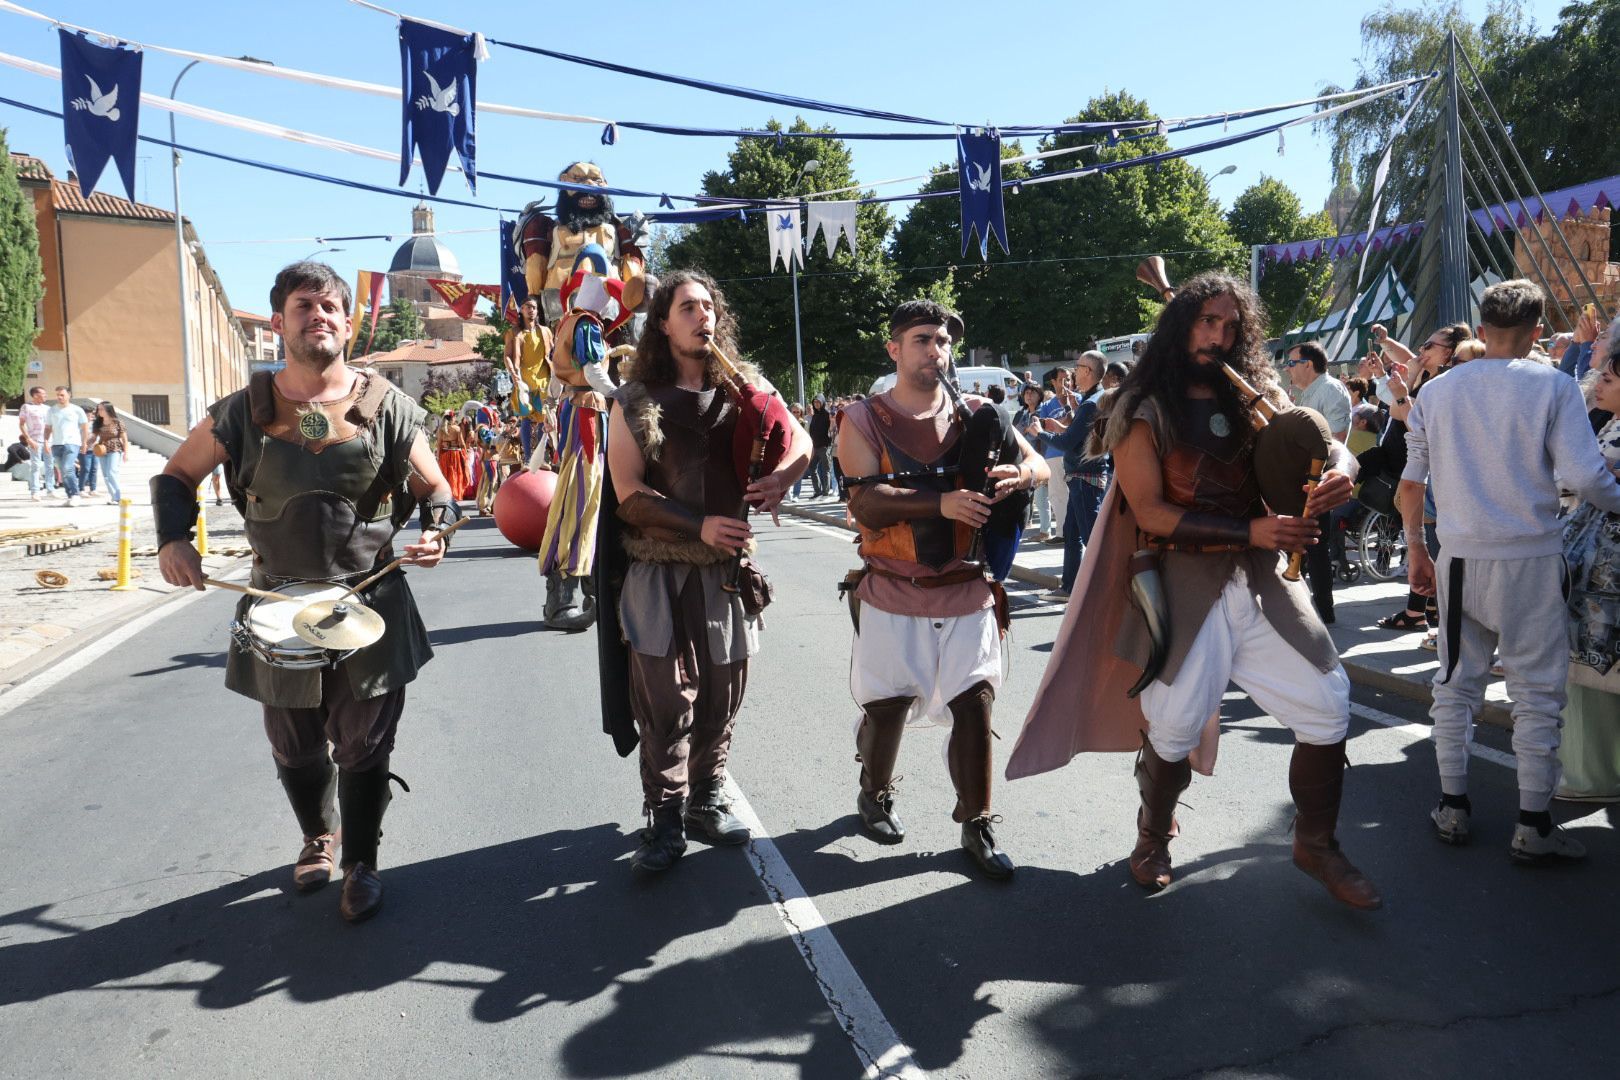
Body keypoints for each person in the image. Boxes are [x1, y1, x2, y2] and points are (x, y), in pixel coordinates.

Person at [1007, 272, 1380, 910]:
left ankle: (1315, 843)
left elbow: (1330, 445)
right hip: (1183, 576)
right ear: (1181, 326)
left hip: (1261, 578)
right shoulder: (1139, 407)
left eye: (1231, 326)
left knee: (1327, 702)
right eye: (1207, 322)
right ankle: (1152, 835)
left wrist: (1340, 473)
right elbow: (1149, 511)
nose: (1220, 335)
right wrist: (1253, 527)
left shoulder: (1258, 392)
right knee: (1173, 727)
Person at [155, 261, 459, 922]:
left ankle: (362, 865)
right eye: (303, 306)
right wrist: (174, 539)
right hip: (278, 607)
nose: (317, 316)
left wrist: (438, 531)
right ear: (278, 322)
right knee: (293, 744)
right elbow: (175, 478)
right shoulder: (242, 414)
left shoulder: (388, 408)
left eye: (329, 308)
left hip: (370, 603)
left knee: (365, 744)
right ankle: (317, 836)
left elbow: (436, 490)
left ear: (347, 325)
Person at [1400, 280, 1620, 862]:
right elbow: (1586, 477)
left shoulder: (1437, 392)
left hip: (1460, 556)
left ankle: (1453, 806)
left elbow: (1410, 484)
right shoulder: (1550, 385)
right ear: (1536, 330)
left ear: (1485, 323)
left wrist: (1415, 549)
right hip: (1530, 558)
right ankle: (1533, 822)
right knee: (1537, 693)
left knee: (1454, 683)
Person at [604, 269, 810, 873]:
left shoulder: (746, 387)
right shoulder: (635, 398)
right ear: (663, 323)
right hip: (658, 569)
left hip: (724, 571)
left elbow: (799, 441)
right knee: (665, 698)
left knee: (724, 690)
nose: (703, 317)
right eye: (687, 307)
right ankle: (664, 819)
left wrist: (783, 478)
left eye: (708, 306)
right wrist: (699, 527)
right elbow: (628, 494)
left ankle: (705, 799)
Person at [838, 300, 1048, 880]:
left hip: (966, 587)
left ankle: (976, 821)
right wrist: (941, 502)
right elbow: (866, 502)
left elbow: (1041, 467)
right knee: (887, 707)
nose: (937, 350)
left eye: (945, 340)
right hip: (892, 587)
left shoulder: (978, 412)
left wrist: (1019, 474)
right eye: (923, 339)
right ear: (895, 349)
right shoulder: (862, 418)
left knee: (975, 704)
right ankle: (874, 794)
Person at [1364, 322, 1471, 633]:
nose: (1422, 350)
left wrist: (1399, 387)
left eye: (1430, 346)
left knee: (1436, 551)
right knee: (1429, 551)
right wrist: (1400, 367)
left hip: (1432, 479)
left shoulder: (1442, 385)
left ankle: (1434, 618)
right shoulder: (1431, 379)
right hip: (1421, 476)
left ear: (1451, 353)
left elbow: (1413, 424)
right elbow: (1401, 401)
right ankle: (1426, 612)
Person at [1557, 338, 1620, 801]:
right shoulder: (1611, 426)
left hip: (1603, 573)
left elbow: (1582, 483)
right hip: (1593, 565)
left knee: (1592, 665)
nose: (1599, 382)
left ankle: (1591, 775)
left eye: (1610, 377)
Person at [1285, 342, 1353, 624]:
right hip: (1302, 478)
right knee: (1301, 542)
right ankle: (1299, 604)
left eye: (1291, 363)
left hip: (1319, 480)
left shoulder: (1330, 389)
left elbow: (1337, 438)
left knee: (1316, 544)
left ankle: (1324, 610)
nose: (1286, 370)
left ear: (1308, 365)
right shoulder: (1309, 393)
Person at [1040, 350, 1110, 600]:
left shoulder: (1091, 403)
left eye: (1078, 367)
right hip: (1083, 477)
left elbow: (1069, 442)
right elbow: (1079, 437)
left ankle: (1106, 590)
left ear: (1088, 372)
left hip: (1085, 478)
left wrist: (1039, 431)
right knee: (1071, 535)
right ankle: (1069, 587)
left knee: (1091, 539)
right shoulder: (1091, 400)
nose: (1073, 372)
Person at [503, 298, 554, 464]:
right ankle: (527, 458)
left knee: (542, 420)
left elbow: (553, 353)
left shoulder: (545, 332)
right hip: (523, 382)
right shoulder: (514, 333)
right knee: (525, 418)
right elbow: (507, 357)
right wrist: (513, 374)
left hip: (543, 381)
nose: (531, 310)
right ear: (521, 310)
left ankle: (540, 458)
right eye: (527, 307)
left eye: (534, 307)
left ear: (537, 311)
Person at [1013, 384, 1054, 540]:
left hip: (1045, 457)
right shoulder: (1022, 414)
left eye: (1032, 392)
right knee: (1040, 497)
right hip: (1030, 460)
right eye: (1026, 393)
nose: (1029, 395)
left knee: (1050, 497)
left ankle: (1049, 531)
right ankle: (1045, 531)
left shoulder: (1043, 411)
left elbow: (1034, 434)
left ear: (1039, 395)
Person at [43, 386, 89, 507]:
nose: (59, 397)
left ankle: (75, 494)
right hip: (56, 444)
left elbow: (84, 428)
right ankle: (70, 496)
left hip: (72, 443)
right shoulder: (52, 410)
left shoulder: (77, 410)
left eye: (62, 395)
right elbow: (48, 428)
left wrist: (84, 443)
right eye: (57, 395)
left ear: (69, 395)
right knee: (63, 471)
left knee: (68, 468)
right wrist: (46, 442)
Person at [17, 386, 53, 500]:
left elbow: (50, 425)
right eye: (43, 394)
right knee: (36, 466)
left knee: (50, 465)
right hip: (35, 440)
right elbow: (21, 424)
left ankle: (50, 489)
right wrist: (29, 439)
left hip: (48, 440)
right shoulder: (26, 407)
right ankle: (35, 491)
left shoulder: (48, 408)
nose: (45, 396)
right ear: (35, 395)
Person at [89, 401, 128, 505]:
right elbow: (93, 437)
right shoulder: (98, 423)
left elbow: (124, 439)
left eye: (101, 409)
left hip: (115, 448)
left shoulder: (118, 422)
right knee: (106, 475)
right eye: (98, 409)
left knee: (112, 471)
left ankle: (118, 496)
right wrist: (86, 444)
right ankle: (114, 498)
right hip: (102, 449)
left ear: (108, 410)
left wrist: (126, 453)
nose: (99, 411)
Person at [807, 397, 833, 498]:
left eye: (818, 402)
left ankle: (825, 492)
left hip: (824, 446)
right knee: (812, 468)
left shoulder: (827, 414)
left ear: (822, 402)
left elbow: (830, 429)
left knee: (826, 469)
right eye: (815, 402)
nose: (816, 404)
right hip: (815, 446)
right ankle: (817, 491)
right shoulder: (814, 416)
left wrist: (827, 444)